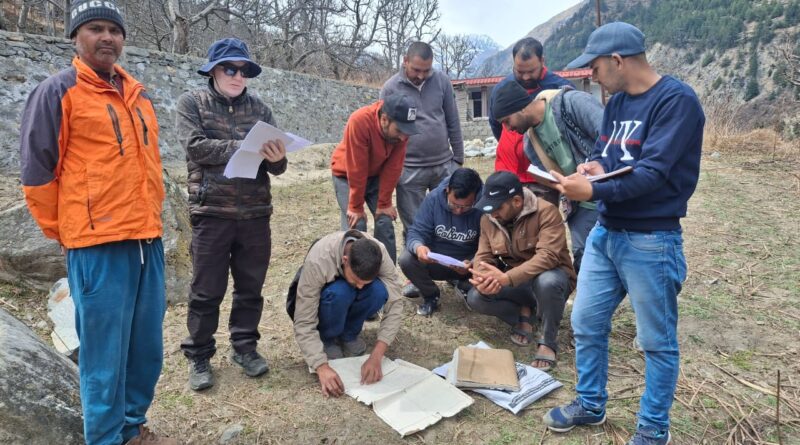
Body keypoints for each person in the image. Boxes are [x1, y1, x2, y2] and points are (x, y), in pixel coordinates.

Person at [19, 1, 176, 443]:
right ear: (76, 37)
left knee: (146, 349)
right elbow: (36, 174)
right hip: (97, 246)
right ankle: (105, 438)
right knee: (104, 356)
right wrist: (66, 233)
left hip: (148, 239)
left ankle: (130, 426)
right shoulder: (57, 92)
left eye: (115, 30)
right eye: (95, 29)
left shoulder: (138, 95)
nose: (107, 37)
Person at [543, 23, 704, 445]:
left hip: (651, 239)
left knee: (656, 341)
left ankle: (653, 429)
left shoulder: (676, 101)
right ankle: (591, 404)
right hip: (607, 232)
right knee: (586, 321)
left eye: (594, 67)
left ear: (618, 60)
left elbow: (652, 174)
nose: (591, 76)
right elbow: (606, 153)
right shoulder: (615, 104)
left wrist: (593, 189)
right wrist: (592, 167)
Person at [177, 38, 287, 391]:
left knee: (250, 287)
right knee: (206, 290)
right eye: (230, 68)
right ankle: (199, 355)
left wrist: (275, 157)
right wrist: (241, 146)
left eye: (244, 70)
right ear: (212, 70)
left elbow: (280, 167)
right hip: (212, 212)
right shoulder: (191, 102)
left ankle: (244, 347)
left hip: (255, 212)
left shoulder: (261, 109)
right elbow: (194, 147)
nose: (238, 76)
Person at [466, 172, 576, 371]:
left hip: (552, 279)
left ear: (517, 201)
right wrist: (481, 276)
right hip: (518, 283)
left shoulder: (547, 212)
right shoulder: (488, 219)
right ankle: (525, 315)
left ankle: (547, 340)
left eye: (498, 208)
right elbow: (483, 255)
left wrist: (507, 277)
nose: (493, 214)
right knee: (475, 297)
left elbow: (548, 257)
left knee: (547, 282)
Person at [491, 80, 603, 272]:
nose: (508, 129)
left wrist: (597, 167)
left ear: (520, 108)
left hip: (611, 193)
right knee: (586, 265)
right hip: (581, 206)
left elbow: (612, 137)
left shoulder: (571, 104)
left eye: (507, 121)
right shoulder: (530, 143)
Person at [292, 230, 405, 398]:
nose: (359, 287)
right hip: (327, 300)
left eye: (363, 283)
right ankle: (328, 339)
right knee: (341, 291)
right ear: (345, 260)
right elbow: (303, 320)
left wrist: (376, 356)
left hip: (347, 294)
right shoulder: (319, 260)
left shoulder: (379, 253)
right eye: (356, 280)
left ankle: (349, 335)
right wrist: (321, 366)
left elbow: (395, 302)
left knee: (378, 291)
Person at [380, 41, 465, 238]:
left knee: (448, 224)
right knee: (415, 228)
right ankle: (417, 267)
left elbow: (453, 120)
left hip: (443, 166)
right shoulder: (390, 88)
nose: (421, 75)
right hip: (409, 170)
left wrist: (458, 159)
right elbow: (385, 131)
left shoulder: (442, 81)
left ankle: (445, 266)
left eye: (426, 71)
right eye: (416, 69)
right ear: (405, 61)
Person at [330, 93, 420, 263]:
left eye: (407, 132)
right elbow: (357, 167)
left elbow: (393, 167)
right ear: (384, 119)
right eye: (399, 131)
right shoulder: (360, 121)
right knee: (357, 225)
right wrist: (355, 207)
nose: (403, 137)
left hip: (375, 176)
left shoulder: (401, 134)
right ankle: (352, 274)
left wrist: (384, 203)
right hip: (346, 176)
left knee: (384, 221)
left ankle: (387, 277)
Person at [489, 37, 572, 206]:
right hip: (509, 171)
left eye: (531, 71)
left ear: (542, 61)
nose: (526, 77)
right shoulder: (502, 89)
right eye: (520, 72)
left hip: (544, 174)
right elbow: (496, 124)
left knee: (541, 223)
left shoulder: (560, 88)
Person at [399, 168, 483, 316]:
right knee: (406, 259)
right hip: (437, 261)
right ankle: (431, 295)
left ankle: (463, 284)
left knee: (486, 273)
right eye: (453, 205)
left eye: (465, 207)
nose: (458, 211)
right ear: (447, 190)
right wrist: (419, 247)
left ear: (476, 197)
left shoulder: (484, 206)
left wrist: (473, 261)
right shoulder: (434, 198)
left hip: (468, 264)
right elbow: (416, 231)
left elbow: (492, 244)